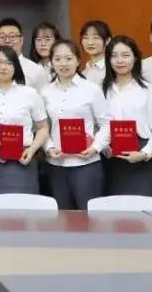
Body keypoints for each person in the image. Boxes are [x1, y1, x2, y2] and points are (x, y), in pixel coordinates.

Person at [40, 40, 110, 210]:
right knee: (62, 216)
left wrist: (95, 148)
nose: (63, 63)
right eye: (57, 59)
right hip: (56, 164)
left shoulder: (91, 89)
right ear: (51, 62)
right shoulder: (45, 92)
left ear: (78, 61)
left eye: (68, 58)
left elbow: (106, 124)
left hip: (87, 163)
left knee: (89, 215)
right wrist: (49, 148)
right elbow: (42, 127)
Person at [102, 36, 152, 197]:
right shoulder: (101, 91)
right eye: (114, 56)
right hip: (111, 159)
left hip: (142, 157)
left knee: (145, 206)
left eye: (125, 55)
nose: (119, 60)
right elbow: (97, 126)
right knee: (116, 208)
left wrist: (145, 153)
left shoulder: (148, 90)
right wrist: (104, 148)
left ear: (135, 58)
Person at [0, 46, 49, 194]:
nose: (3, 67)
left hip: (24, 158)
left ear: (16, 66)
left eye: (9, 63)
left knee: (25, 205)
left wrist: (32, 149)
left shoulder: (30, 94)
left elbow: (43, 128)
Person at [0, 19, 48, 90]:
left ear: (21, 40)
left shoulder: (36, 70)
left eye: (12, 36)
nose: (7, 41)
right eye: (2, 37)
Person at [79, 20, 111, 86]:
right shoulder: (84, 72)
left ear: (107, 41)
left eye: (96, 38)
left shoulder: (113, 69)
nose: (90, 42)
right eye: (85, 38)